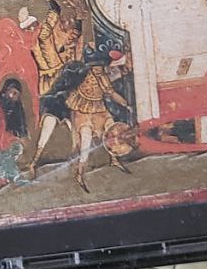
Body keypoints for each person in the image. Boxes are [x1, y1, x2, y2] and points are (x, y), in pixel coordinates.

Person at [25, 42, 133, 191]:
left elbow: (111, 91)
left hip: (97, 109)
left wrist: (126, 104)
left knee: (111, 129)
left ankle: (113, 159)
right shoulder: (78, 73)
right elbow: (62, 87)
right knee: (84, 142)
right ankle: (77, 173)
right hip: (78, 110)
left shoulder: (101, 74)